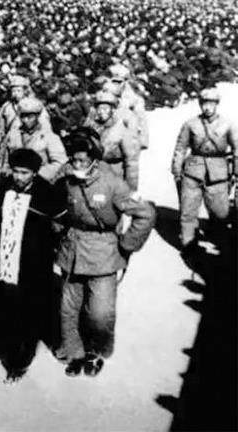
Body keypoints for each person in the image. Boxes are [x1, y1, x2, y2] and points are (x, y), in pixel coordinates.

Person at [54, 135, 155, 377]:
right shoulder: (65, 177)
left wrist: (127, 244)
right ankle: (75, 353)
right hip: (72, 251)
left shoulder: (113, 184)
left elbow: (146, 213)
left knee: (100, 313)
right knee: (68, 309)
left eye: (82, 160)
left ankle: (96, 352)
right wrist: (57, 231)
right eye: (74, 160)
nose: (77, 165)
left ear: (94, 160)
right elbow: (55, 206)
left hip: (103, 254)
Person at [0, 148, 66, 383]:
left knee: (28, 310)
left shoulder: (45, 192)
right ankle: (1, 340)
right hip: (4, 256)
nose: (19, 177)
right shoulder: (2, 186)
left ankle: (19, 362)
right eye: (16, 171)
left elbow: (59, 224)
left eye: (24, 173)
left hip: (32, 262)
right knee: (5, 305)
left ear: (35, 173)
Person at [171, 88, 238, 250]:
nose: (207, 107)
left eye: (211, 104)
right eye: (204, 104)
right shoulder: (191, 124)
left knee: (221, 213)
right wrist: (176, 169)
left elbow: (237, 148)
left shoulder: (227, 124)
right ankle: (188, 244)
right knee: (188, 211)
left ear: (216, 105)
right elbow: (180, 148)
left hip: (218, 173)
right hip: (193, 172)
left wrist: (236, 171)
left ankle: (219, 241)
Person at [84, 90, 140, 191]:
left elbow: (131, 160)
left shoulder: (120, 128)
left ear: (113, 109)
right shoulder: (90, 126)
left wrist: (131, 188)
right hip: (93, 172)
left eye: (105, 108)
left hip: (115, 171)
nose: (102, 112)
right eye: (99, 108)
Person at [17, 97, 68, 182]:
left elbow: (60, 162)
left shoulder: (48, 136)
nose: (25, 120)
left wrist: (38, 175)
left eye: (30, 117)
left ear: (37, 116)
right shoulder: (14, 134)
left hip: (39, 181)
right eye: (23, 116)